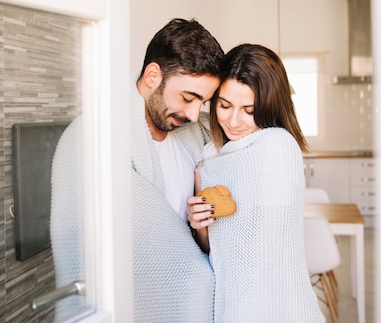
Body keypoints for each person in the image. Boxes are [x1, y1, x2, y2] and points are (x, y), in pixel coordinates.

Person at [187, 44, 325, 323]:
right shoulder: (210, 157)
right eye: (224, 105)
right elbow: (217, 248)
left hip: (274, 305)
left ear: (269, 107)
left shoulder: (278, 148)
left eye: (249, 110)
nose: (233, 121)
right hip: (230, 302)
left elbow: (264, 252)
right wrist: (199, 224)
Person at [131, 18, 224, 323]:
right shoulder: (111, 145)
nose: (195, 114)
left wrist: (202, 231)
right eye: (188, 97)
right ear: (153, 75)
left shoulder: (193, 142)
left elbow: (202, 243)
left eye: (204, 102)